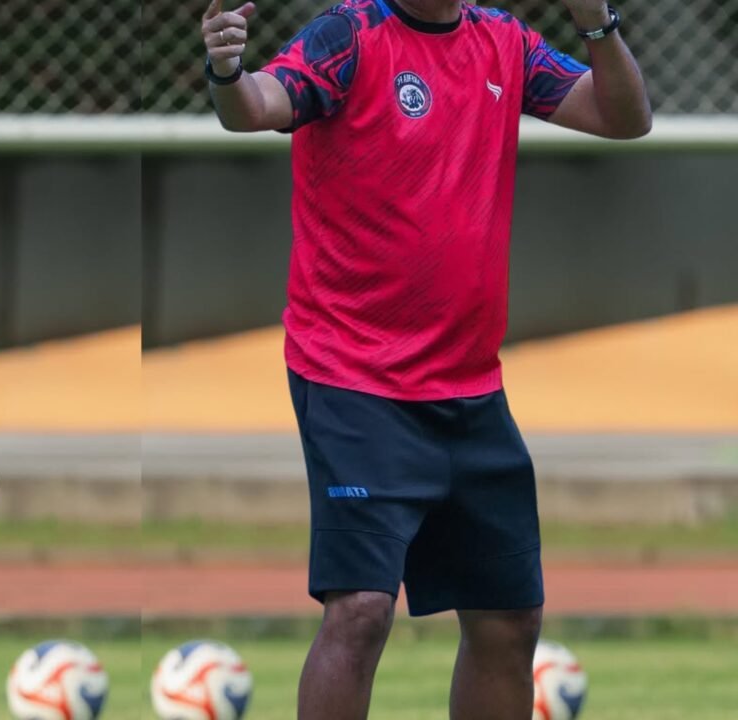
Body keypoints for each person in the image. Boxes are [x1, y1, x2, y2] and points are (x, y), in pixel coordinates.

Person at [200, 0, 650, 717]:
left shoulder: (504, 41)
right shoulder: (350, 35)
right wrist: (226, 70)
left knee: (508, 617)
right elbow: (255, 107)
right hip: (354, 378)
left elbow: (625, 117)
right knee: (361, 609)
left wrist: (597, 21)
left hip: (470, 387)